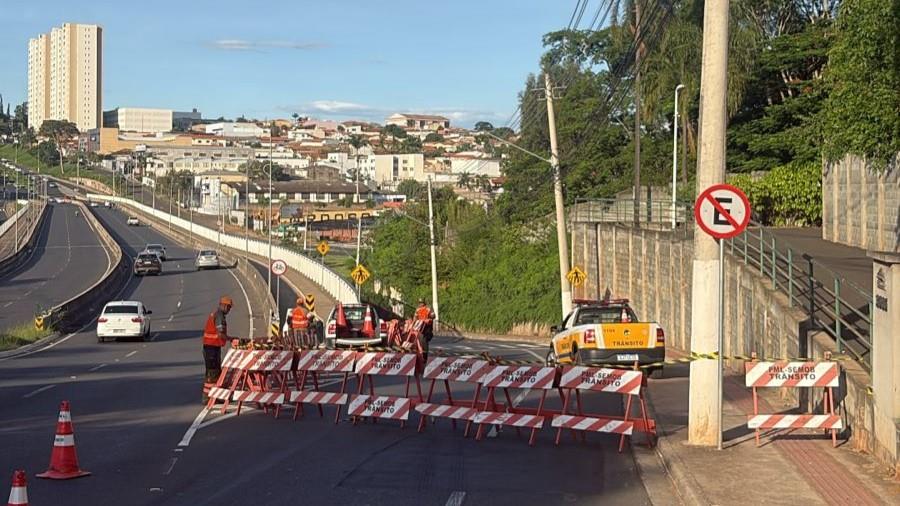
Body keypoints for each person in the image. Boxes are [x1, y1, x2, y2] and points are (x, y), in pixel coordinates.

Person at [201, 296, 233, 403]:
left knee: (213, 373)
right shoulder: (219, 316)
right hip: (211, 348)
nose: (229, 310)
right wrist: (231, 339)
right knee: (212, 373)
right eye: (228, 307)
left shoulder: (217, 314)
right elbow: (220, 334)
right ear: (223, 305)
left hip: (211, 348)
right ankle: (209, 397)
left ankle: (212, 396)